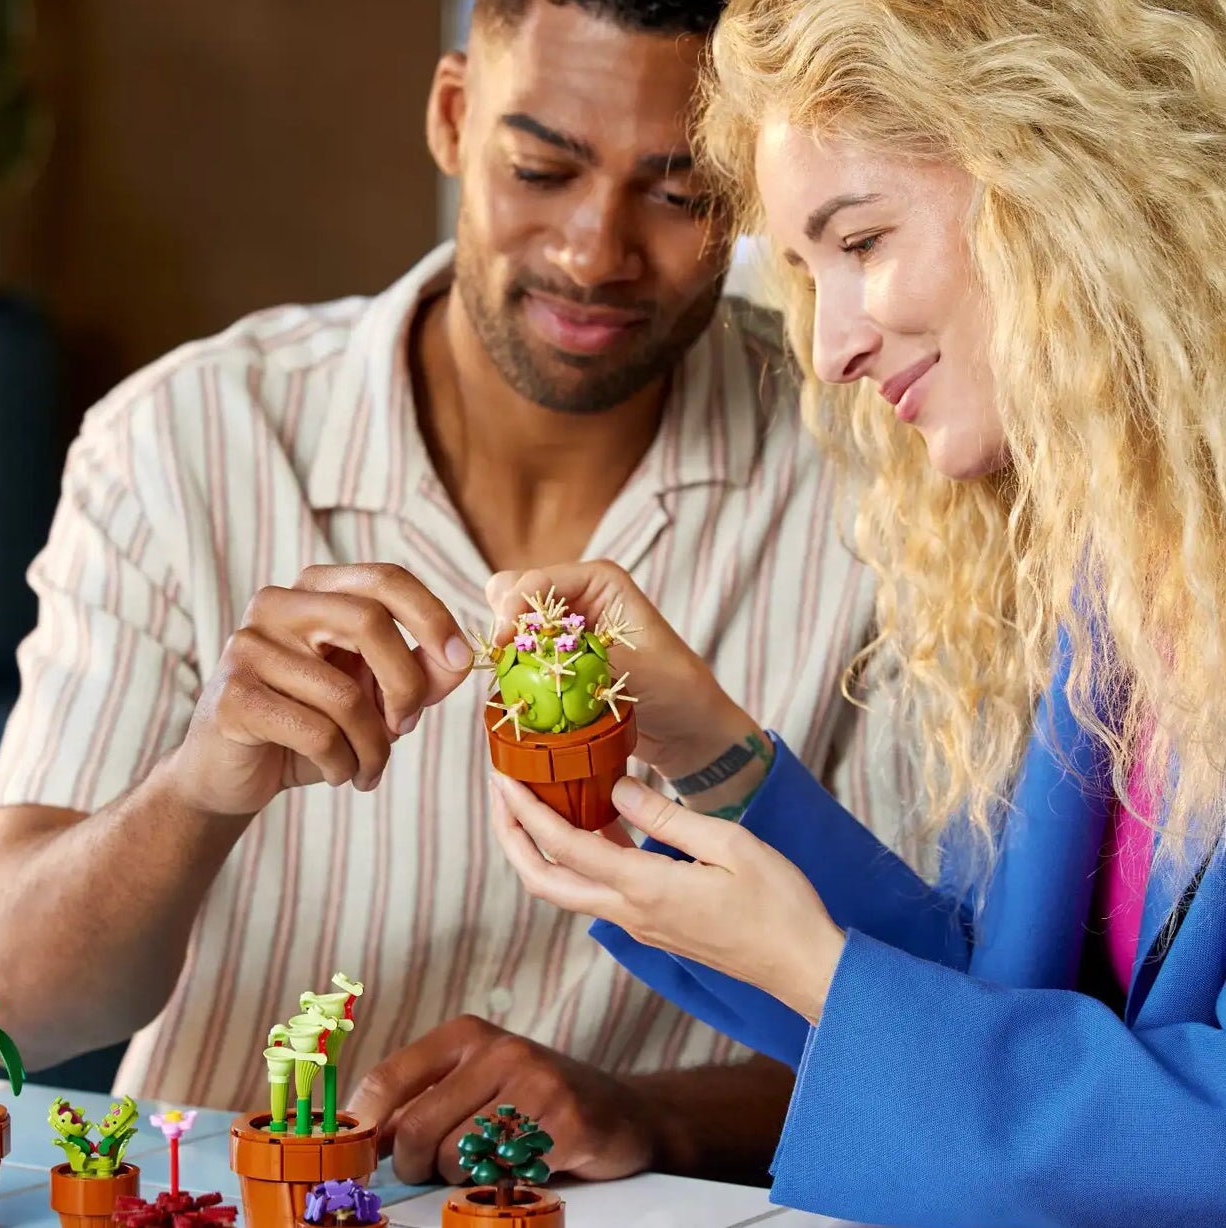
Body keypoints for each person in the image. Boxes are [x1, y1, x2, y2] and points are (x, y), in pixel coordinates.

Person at [0, 0, 909, 1190]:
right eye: (541, 168)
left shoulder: (876, 476)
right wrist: (196, 786)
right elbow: (4, 1005)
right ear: (453, 116)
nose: (592, 250)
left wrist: (648, 1114)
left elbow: (942, 1010)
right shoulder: (178, 443)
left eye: (678, 194)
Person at [486, 0, 1226, 1223]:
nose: (826, 347)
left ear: (1070, 182)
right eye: (800, 271)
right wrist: (704, 748)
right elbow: (1001, 1013)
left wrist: (814, 969)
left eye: (862, 240)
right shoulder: (1111, 577)